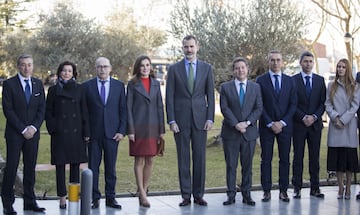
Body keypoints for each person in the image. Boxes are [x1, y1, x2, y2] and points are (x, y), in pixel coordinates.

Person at [165, 35, 215, 206]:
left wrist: (210, 118)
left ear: (197, 47)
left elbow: (210, 95)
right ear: (182, 48)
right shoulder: (174, 69)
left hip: (201, 120)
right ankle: (186, 195)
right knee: (183, 158)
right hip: (180, 120)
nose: (189, 50)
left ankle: (199, 194)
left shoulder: (207, 68)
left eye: (192, 46)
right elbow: (169, 97)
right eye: (186, 47)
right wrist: (171, 120)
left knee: (200, 158)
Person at [1, 54, 46, 214]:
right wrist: (23, 129)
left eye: (29, 64)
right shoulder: (9, 84)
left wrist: (33, 127)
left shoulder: (38, 84)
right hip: (15, 134)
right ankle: (7, 203)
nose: (26, 68)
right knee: (12, 168)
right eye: (23, 65)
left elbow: (42, 109)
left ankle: (30, 201)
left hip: (33, 135)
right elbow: (8, 110)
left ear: (33, 66)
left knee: (30, 168)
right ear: (18, 66)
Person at [82, 57, 127, 209]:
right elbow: (84, 112)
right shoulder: (86, 86)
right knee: (93, 168)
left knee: (110, 168)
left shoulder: (119, 86)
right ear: (95, 68)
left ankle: (111, 198)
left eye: (105, 66)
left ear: (110, 68)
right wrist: (86, 132)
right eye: (99, 67)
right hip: (93, 135)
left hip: (112, 134)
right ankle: (94, 198)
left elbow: (123, 110)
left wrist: (122, 131)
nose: (102, 69)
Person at [45, 61, 90, 209]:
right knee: (60, 166)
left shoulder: (80, 89)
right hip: (59, 134)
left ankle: (73, 196)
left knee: (75, 166)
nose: (66, 73)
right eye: (64, 70)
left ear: (73, 73)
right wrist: (53, 128)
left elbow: (84, 111)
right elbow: (48, 111)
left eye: (69, 71)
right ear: (59, 72)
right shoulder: (52, 90)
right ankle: (62, 198)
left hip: (75, 133)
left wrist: (86, 132)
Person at [220, 57, 263, 206]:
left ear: (247, 69)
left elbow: (259, 108)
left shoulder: (255, 87)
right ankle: (231, 195)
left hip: (249, 133)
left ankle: (247, 194)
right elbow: (224, 108)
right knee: (231, 166)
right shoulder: (225, 87)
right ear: (233, 71)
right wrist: (236, 124)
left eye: (242, 67)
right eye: (237, 68)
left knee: (247, 166)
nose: (240, 70)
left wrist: (247, 123)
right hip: (231, 133)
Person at [256, 50, 297, 202]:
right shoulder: (261, 80)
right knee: (266, 159)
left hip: (285, 127)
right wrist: (270, 122)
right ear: (268, 61)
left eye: (278, 60)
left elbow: (293, 104)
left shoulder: (290, 81)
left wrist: (282, 122)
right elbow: (259, 104)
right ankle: (266, 191)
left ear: (283, 62)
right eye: (272, 60)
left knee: (285, 159)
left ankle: (283, 190)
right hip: (267, 127)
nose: (275, 63)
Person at [127, 55, 165, 208]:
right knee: (139, 160)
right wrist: (130, 129)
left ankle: (143, 191)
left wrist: (161, 130)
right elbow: (128, 108)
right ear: (138, 67)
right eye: (142, 65)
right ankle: (142, 194)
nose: (145, 68)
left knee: (150, 159)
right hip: (138, 127)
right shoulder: (132, 84)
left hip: (153, 127)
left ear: (150, 67)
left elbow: (160, 108)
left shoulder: (156, 84)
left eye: (147, 65)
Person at [291, 51, 326, 199]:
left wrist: (314, 116)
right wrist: (303, 117)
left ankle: (315, 188)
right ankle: (297, 188)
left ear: (314, 63)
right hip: (299, 125)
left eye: (310, 61)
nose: (308, 64)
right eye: (305, 61)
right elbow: (292, 102)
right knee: (298, 157)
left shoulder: (319, 80)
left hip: (315, 126)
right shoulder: (293, 80)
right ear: (300, 63)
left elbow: (322, 103)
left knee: (314, 158)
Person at [325, 58, 360, 200]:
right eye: (338, 66)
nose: (340, 69)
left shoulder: (355, 86)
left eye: (343, 67)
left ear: (348, 69)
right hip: (335, 126)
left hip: (349, 127)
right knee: (338, 161)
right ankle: (340, 187)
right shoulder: (330, 86)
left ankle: (349, 188)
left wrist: (344, 119)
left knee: (349, 162)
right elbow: (327, 104)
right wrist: (335, 117)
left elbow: (355, 106)